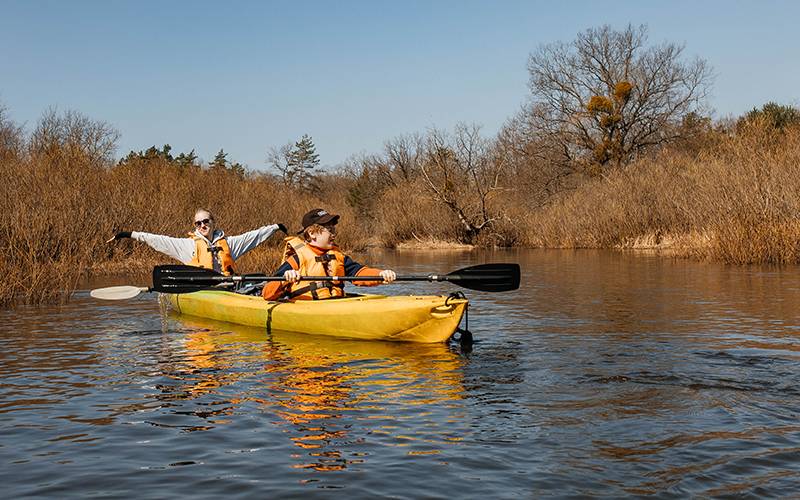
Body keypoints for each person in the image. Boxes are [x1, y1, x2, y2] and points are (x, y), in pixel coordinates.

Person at [261, 208, 396, 301]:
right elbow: (267, 293)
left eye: (334, 229)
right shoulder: (296, 259)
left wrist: (380, 275)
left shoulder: (339, 257)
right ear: (312, 234)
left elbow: (359, 273)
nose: (334, 234)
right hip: (307, 308)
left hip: (335, 303)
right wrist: (285, 278)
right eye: (329, 230)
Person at [108, 208, 287, 276]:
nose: (202, 225)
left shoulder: (229, 244)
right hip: (201, 289)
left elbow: (253, 236)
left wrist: (275, 227)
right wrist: (126, 234)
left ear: (213, 222)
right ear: (195, 225)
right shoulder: (187, 246)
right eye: (198, 223)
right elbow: (156, 239)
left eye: (206, 221)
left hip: (226, 287)